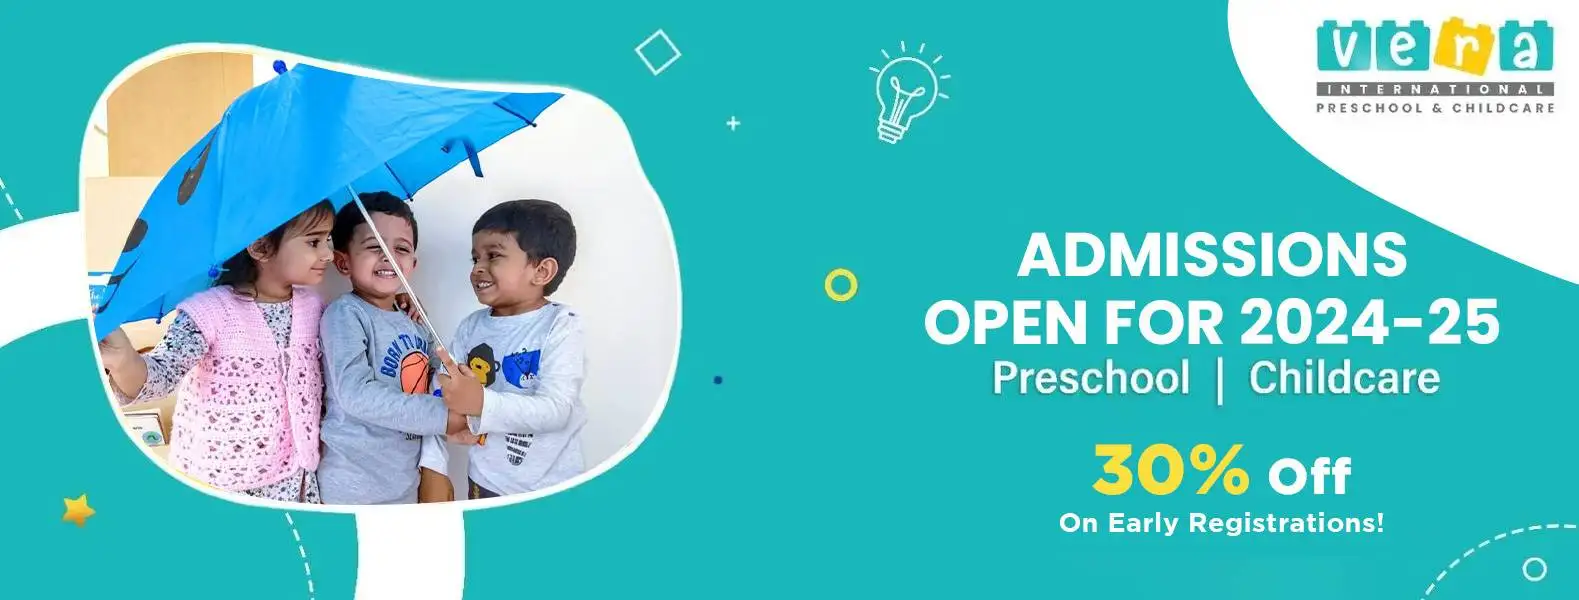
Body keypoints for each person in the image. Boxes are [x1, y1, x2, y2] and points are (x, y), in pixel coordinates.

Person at [99, 201, 336, 503]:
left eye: (328, 239)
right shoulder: (210, 312)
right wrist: (123, 360)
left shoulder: (315, 306)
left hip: (296, 482)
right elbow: (161, 376)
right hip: (223, 486)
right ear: (261, 247)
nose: (327, 253)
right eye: (314, 242)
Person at [317, 192, 471, 505]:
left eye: (401, 249)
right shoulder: (345, 313)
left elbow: (434, 378)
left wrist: (462, 393)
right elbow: (355, 394)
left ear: (412, 265)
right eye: (375, 247)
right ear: (343, 261)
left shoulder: (414, 320)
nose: (389, 257)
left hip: (404, 482)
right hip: (354, 486)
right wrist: (444, 417)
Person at [434, 199, 588, 499]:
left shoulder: (562, 324)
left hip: (550, 488)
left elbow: (556, 410)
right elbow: (444, 383)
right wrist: (450, 403)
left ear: (541, 271)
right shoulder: (471, 327)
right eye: (474, 258)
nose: (478, 268)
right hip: (483, 481)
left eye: (493, 256)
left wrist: (480, 404)